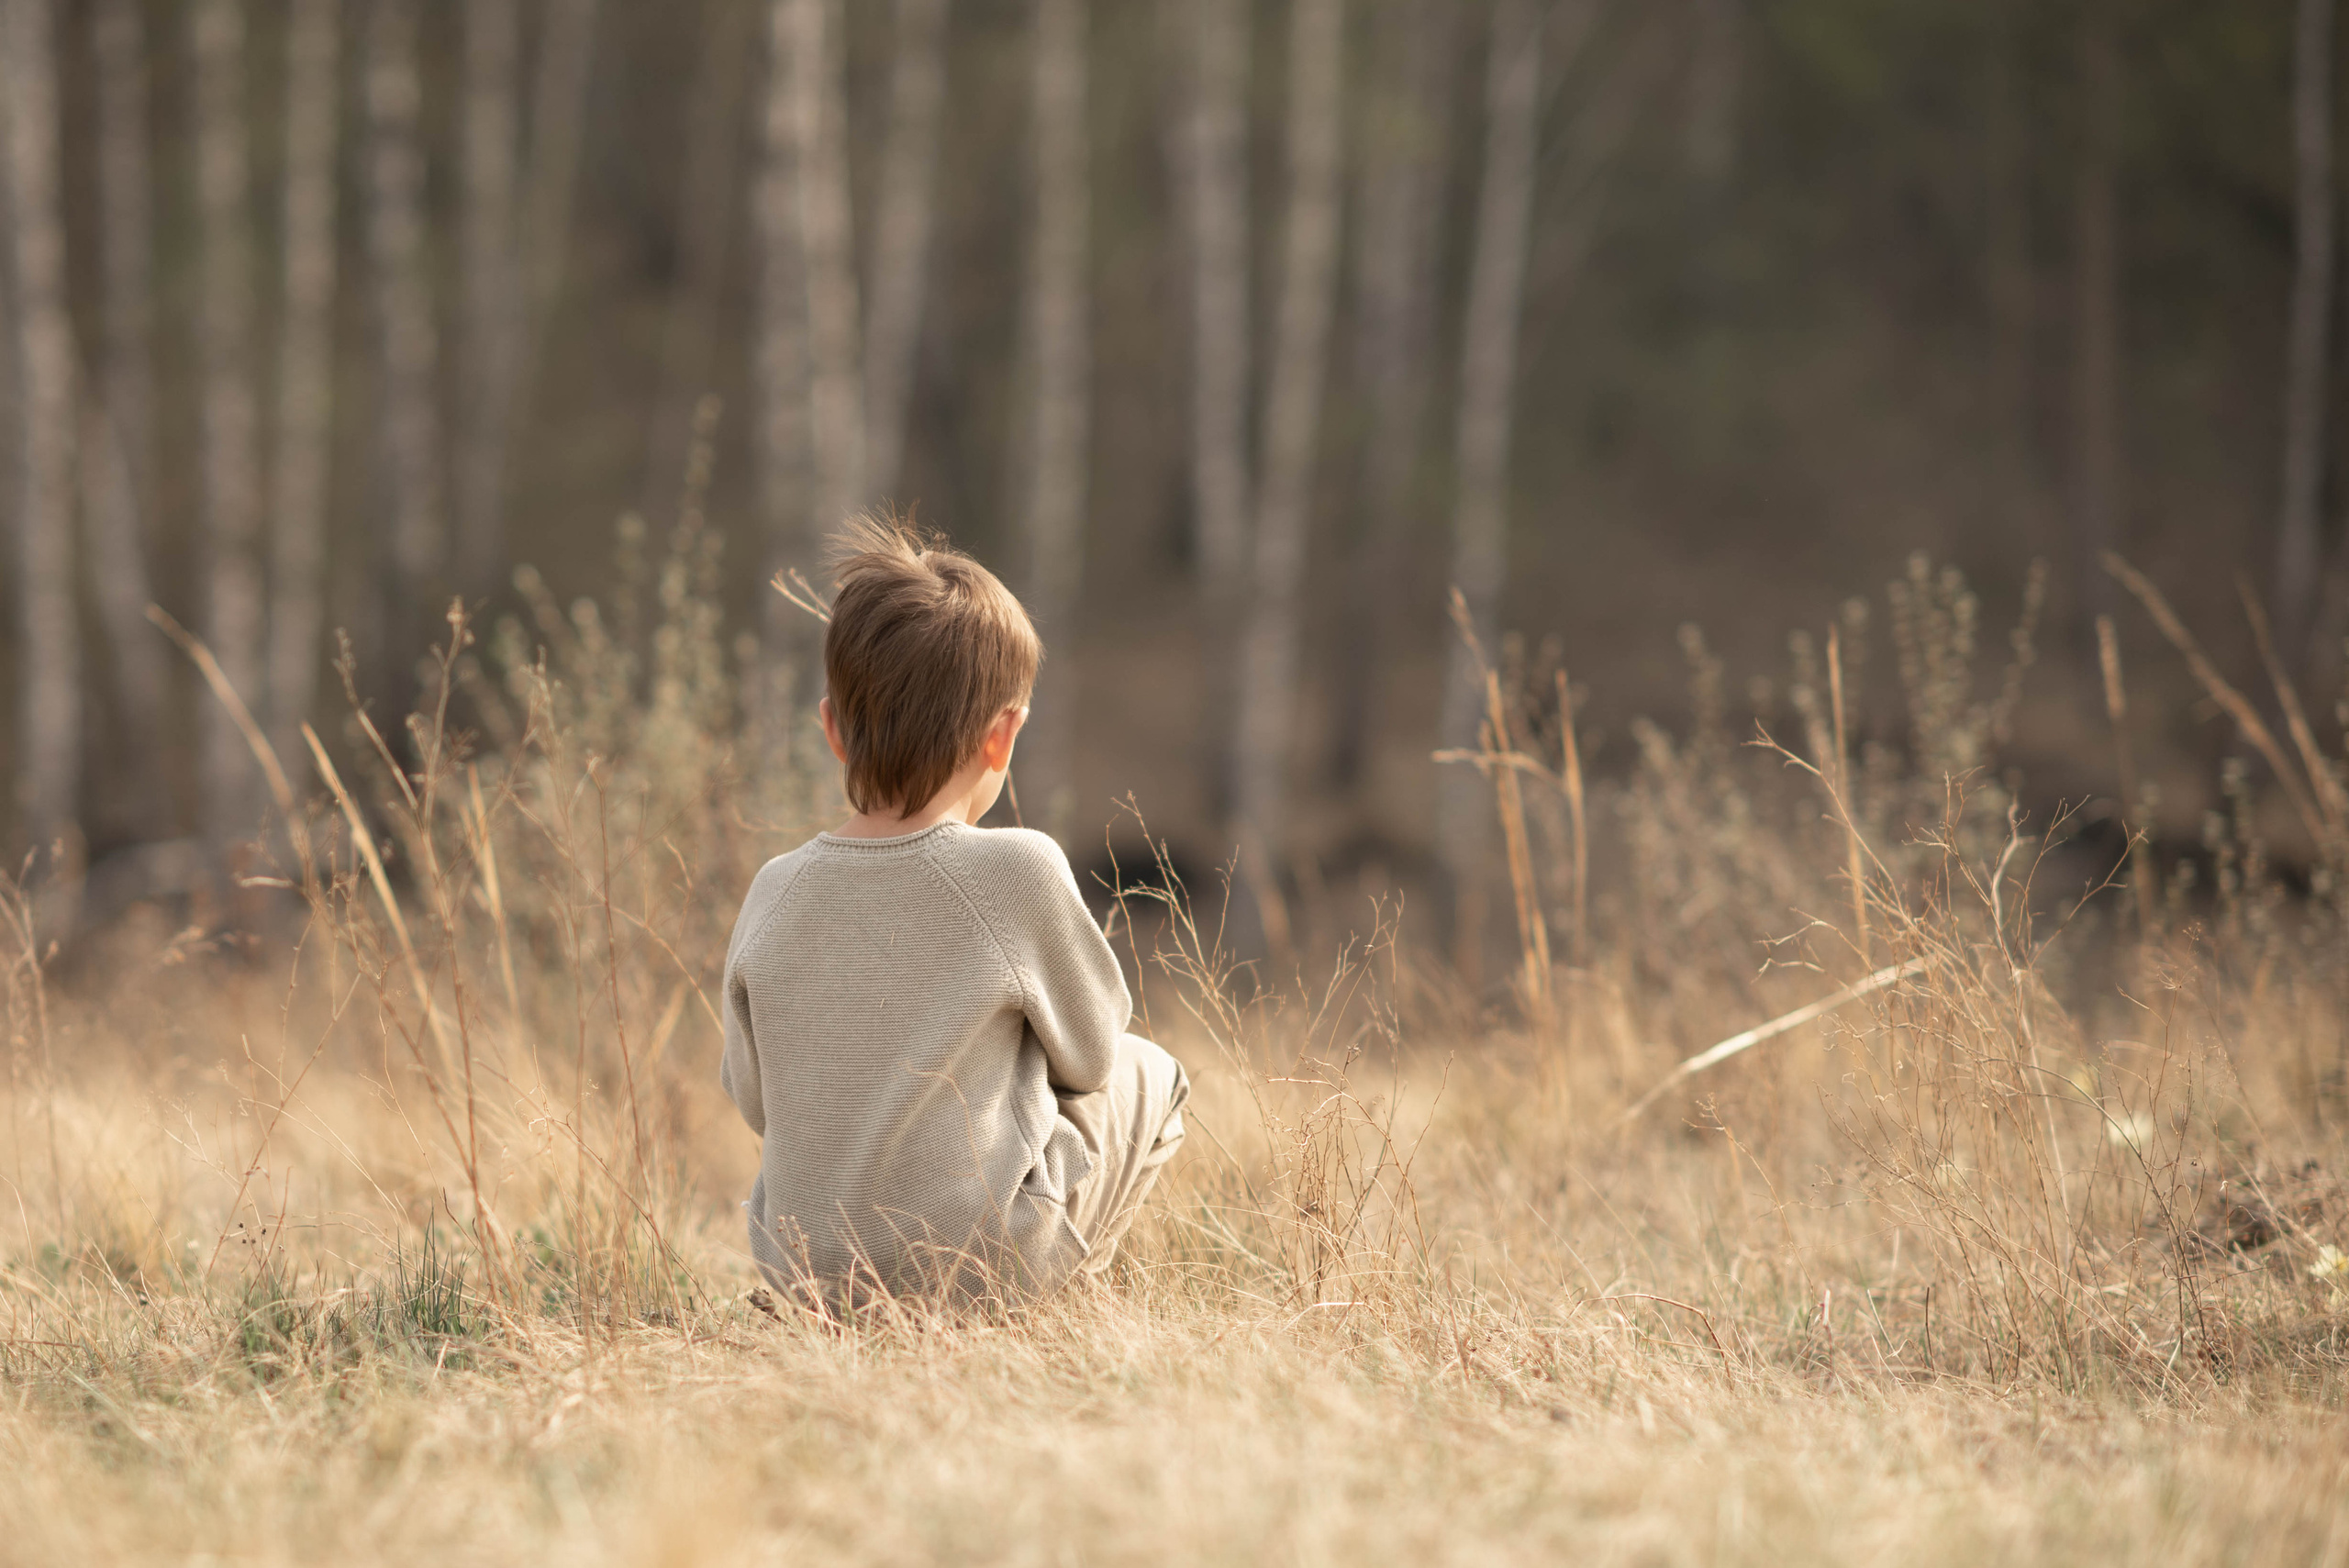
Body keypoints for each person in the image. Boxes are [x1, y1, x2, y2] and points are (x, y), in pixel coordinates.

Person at [720, 513, 1188, 1311]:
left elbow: (757, 1102)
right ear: (1003, 738)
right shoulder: (1016, 868)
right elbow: (1094, 1058)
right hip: (976, 1270)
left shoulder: (774, 886)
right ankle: (1051, 1311)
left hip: (805, 1275)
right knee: (1154, 1071)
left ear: (833, 730)